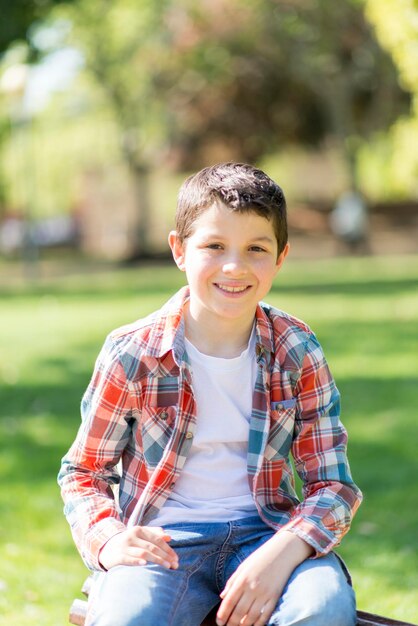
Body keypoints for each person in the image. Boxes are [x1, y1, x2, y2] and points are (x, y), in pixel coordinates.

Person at [59, 162, 362, 626]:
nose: (234, 267)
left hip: (270, 534)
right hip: (164, 543)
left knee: (321, 608)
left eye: (256, 249)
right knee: (128, 618)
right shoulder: (133, 354)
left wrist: (283, 553)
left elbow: (333, 485)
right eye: (214, 246)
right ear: (179, 250)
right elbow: (83, 471)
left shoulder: (297, 350)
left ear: (281, 257)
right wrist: (109, 539)